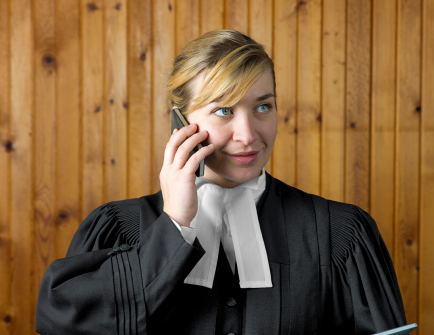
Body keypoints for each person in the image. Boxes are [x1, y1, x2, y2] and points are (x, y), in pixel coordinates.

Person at [36, 30, 407, 335]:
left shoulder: (342, 234)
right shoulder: (117, 229)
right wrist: (176, 224)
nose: (247, 135)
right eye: (223, 110)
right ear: (180, 121)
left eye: (263, 106)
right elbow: (63, 324)